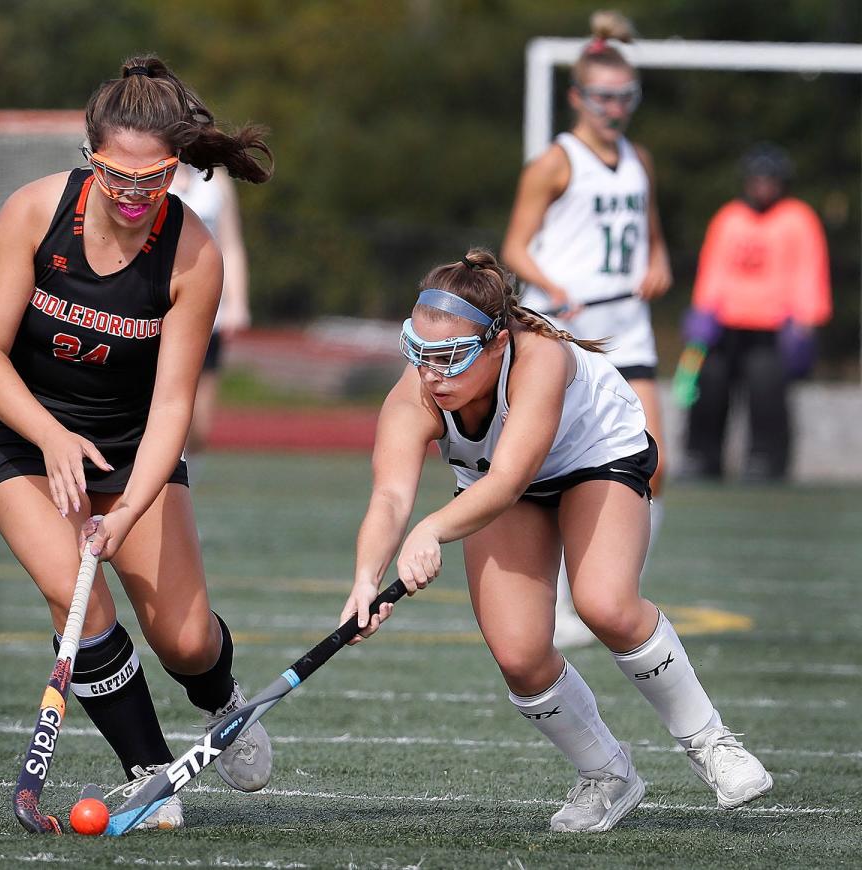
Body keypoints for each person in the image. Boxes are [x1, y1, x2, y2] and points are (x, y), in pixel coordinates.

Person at [340, 248, 773, 833]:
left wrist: (432, 529)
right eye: (419, 355)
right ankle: (607, 775)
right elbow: (390, 496)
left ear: (497, 343)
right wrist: (367, 580)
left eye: (450, 358)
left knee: (604, 604)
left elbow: (512, 478)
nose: (432, 375)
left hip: (595, 456)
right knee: (519, 653)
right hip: (498, 483)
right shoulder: (415, 396)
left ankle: (710, 741)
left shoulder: (539, 358)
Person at [0, 55, 274, 830]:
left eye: (154, 178)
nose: (134, 196)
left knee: (188, 639)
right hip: (16, 432)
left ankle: (221, 698)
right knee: (77, 593)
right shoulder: (33, 215)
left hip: (133, 444)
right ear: (90, 154)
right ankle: (147, 771)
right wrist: (50, 434)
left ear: (178, 166)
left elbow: (173, 406)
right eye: (115, 175)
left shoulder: (194, 254)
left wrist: (129, 509)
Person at [501, 11, 671, 647]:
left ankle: (610, 591)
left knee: (654, 465)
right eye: (603, 97)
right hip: (569, 337)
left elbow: (652, 242)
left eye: (625, 97)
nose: (615, 109)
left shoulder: (639, 159)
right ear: (577, 97)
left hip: (630, 329)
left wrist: (657, 265)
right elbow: (515, 247)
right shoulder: (554, 162)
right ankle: (571, 603)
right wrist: (558, 288)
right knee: (562, 464)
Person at [681, 142, 832, 481]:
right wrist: (702, 312)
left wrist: (806, 320)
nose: (763, 185)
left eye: (770, 179)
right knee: (708, 390)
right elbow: (713, 267)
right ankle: (702, 456)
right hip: (725, 325)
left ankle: (766, 460)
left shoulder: (798, 218)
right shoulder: (729, 217)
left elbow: (810, 269)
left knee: (768, 397)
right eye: (757, 179)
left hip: (772, 326)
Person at [170, 164, 250, 457]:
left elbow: (230, 245)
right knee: (161, 410)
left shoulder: (217, 180)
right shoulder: (151, 176)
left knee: (199, 424)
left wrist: (238, 302)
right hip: (161, 312)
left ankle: (183, 482)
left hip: (206, 314)